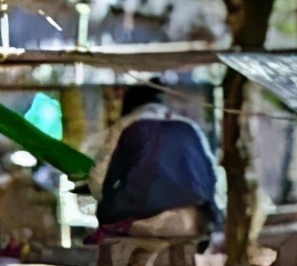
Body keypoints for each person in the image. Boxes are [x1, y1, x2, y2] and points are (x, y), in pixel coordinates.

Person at [86, 83, 222, 243]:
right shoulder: (190, 126)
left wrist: (104, 201)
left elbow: (99, 180)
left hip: (143, 219)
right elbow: (212, 174)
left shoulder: (126, 125)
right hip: (195, 219)